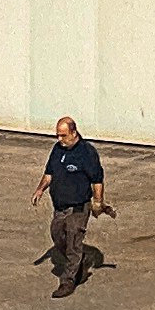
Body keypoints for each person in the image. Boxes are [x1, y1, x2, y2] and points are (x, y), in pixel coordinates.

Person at [36, 117, 111, 296]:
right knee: (57, 235)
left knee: (73, 239)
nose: (60, 139)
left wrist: (98, 202)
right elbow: (49, 173)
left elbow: (97, 180)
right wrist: (39, 190)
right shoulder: (57, 149)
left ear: (74, 132)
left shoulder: (87, 152)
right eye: (57, 135)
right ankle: (78, 260)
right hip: (60, 206)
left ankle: (69, 280)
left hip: (79, 206)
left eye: (63, 135)